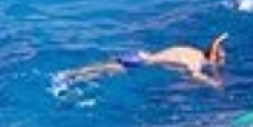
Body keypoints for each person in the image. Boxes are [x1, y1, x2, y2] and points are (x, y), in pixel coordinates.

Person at [59, 34, 229, 88]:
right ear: (212, 57)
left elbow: (173, 63)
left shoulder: (191, 51)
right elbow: (194, 74)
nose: (221, 61)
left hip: (139, 55)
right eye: (221, 59)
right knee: (100, 74)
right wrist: (213, 84)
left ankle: (69, 74)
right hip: (140, 63)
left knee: (100, 68)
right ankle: (68, 80)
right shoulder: (196, 61)